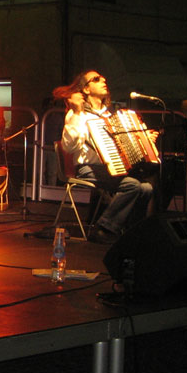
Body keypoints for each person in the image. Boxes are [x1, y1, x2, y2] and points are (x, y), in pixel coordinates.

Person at [53, 70, 156, 244]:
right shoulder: (78, 115)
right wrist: (77, 113)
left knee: (146, 187)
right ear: (86, 89)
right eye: (96, 79)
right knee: (132, 186)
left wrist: (144, 140)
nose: (104, 80)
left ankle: (132, 231)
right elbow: (69, 147)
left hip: (112, 167)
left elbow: (124, 144)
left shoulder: (111, 116)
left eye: (103, 78)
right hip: (88, 168)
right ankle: (104, 228)